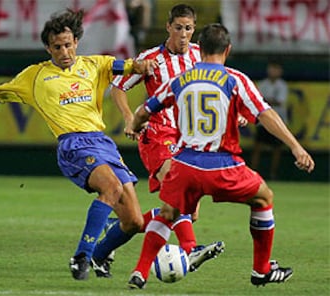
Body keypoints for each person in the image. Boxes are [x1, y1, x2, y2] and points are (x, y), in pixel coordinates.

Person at [0, 8, 158, 281]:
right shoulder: (34, 76)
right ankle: (81, 255)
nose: (64, 51)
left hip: (103, 143)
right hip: (73, 145)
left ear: (76, 43)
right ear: (48, 48)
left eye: (68, 45)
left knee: (134, 221)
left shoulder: (96, 65)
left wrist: (143, 66)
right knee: (112, 188)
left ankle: (98, 253)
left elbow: (130, 66)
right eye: (57, 47)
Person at [127, 23, 315, 289]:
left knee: (169, 212)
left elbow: (144, 111)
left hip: (184, 166)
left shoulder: (180, 80)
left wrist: (134, 127)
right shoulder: (234, 79)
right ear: (228, 50)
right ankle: (261, 270)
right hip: (223, 166)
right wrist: (296, 146)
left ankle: (140, 271)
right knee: (264, 197)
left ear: (199, 49)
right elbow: (265, 114)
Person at [92, 4, 225, 278]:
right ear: (168, 27)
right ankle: (191, 247)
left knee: (184, 212)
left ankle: (119, 228)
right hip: (157, 135)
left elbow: (221, 84)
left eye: (189, 28)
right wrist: (130, 118)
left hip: (187, 139)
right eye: (178, 28)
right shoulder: (152, 58)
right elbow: (118, 87)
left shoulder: (201, 56)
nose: (184, 34)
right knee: (177, 192)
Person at [251, 61, 289, 180]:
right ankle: (253, 173)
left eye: (276, 69)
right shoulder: (263, 84)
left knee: (277, 149)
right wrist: (268, 101)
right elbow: (258, 101)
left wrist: (266, 101)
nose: (273, 71)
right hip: (263, 121)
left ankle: (273, 174)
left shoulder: (282, 85)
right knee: (257, 147)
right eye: (272, 69)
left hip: (278, 121)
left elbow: (279, 101)